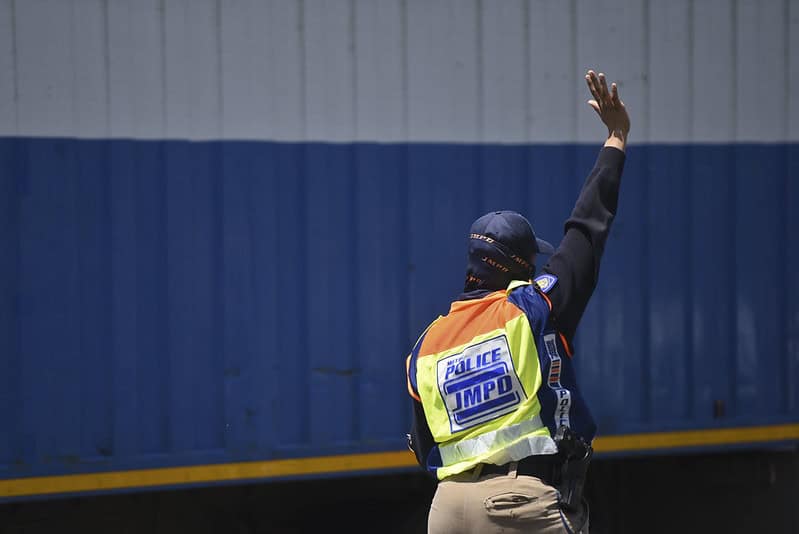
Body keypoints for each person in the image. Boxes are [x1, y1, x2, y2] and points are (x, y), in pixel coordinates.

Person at [404, 69, 630, 534]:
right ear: (521, 267)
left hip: (447, 508)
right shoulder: (533, 307)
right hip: (518, 501)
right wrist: (616, 139)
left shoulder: (428, 344)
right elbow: (586, 233)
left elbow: (423, 442)